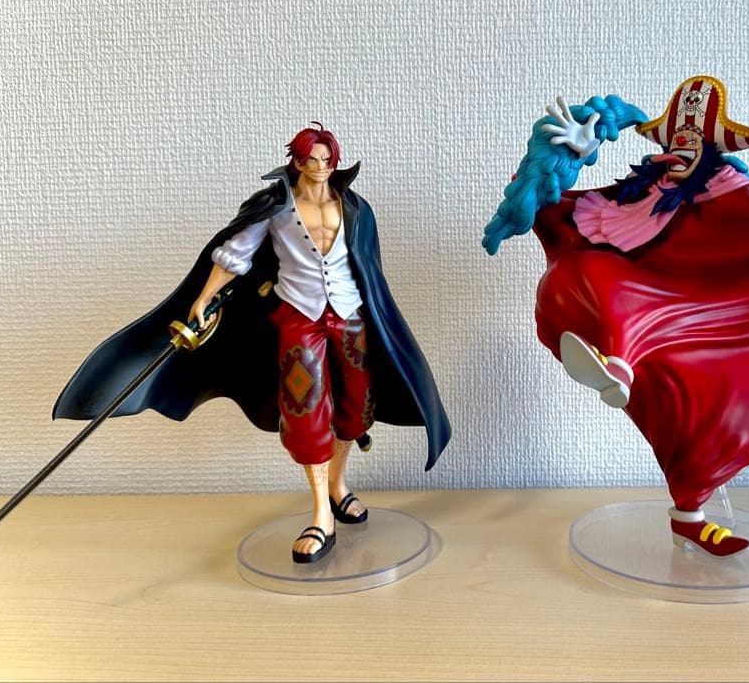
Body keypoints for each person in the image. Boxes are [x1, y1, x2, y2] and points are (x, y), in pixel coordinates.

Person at [484, 77, 749, 558]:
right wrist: (569, 155)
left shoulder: (730, 191)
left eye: (694, 138)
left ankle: (688, 516)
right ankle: (617, 365)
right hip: (634, 302)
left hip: (708, 314)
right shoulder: (640, 191)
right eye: (675, 137)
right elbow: (552, 209)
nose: (682, 147)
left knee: (701, 409)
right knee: (584, 272)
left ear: (714, 146)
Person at [54, 124, 451, 563]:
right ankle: (322, 515)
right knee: (305, 408)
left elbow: (369, 266)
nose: (321, 167)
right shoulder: (275, 207)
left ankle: (338, 486)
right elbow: (235, 255)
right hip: (299, 316)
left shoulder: (354, 207)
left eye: (327, 159)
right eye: (313, 159)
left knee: (356, 406)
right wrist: (204, 297)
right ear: (296, 161)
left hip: (350, 315)